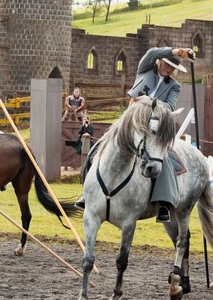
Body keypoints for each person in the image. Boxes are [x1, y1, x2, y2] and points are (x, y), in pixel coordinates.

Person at [75, 46, 195, 223]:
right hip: (129, 122)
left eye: (173, 67)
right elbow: (151, 53)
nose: (169, 69)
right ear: (161, 61)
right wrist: (176, 52)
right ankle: (86, 194)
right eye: (167, 64)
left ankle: (163, 202)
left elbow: (169, 107)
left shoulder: (174, 86)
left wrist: (150, 107)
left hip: (154, 126)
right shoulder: (145, 68)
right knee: (98, 147)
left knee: (165, 158)